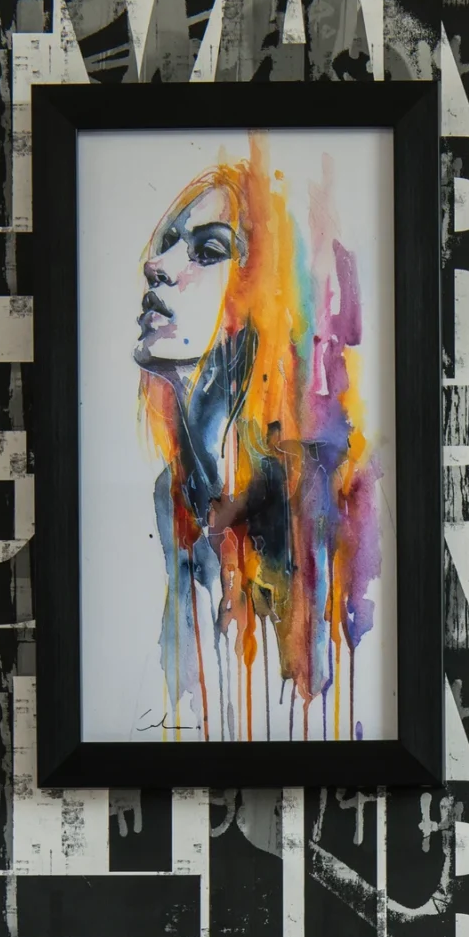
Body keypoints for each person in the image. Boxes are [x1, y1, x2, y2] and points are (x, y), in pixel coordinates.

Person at [133, 139, 380, 742]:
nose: (158, 266)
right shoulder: (176, 493)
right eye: (166, 244)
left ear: (260, 293)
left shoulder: (318, 492)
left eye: (207, 250)